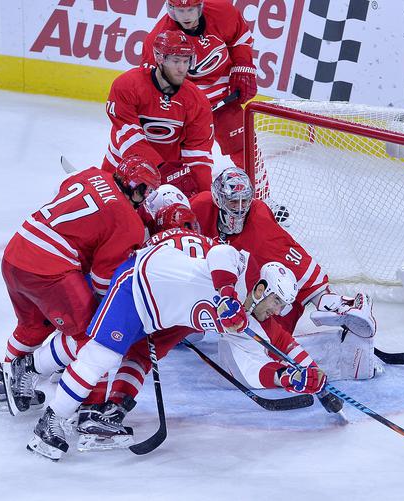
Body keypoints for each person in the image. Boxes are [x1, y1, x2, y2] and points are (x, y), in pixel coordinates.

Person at [22, 227, 325, 460]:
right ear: (262, 288)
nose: (278, 311)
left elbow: (252, 367)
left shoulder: (247, 321)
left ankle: (67, 391)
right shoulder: (242, 266)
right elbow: (221, 253)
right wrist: (227, 294)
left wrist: (286, 377)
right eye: (276, 301)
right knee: (100, 355)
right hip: (138, 284)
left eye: (282, 306)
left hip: (159, 317)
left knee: (123, 356)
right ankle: (51, 420)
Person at [0, 155, 160, 414]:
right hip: (49, 272)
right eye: (146, 190)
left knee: (32, 325)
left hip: (15, 254)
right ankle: (90, 406)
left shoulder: (92, 174)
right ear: (137, 187)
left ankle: (5, 384)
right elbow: (104, 281)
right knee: (95, 334)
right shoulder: (128, 221)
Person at [190, 167, 379, 381]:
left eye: (245, 201)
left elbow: (296, 263)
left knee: (267, 347)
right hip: (224, 283)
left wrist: (325, 299)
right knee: (193, 329)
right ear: (219, 199)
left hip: (266, 298)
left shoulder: (259, 225)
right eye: (234, 202)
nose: (241, 209)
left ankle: (345, 323)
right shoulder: (199, 207)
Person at [141, 0, 257, 169]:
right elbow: (151, 84)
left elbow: (240, 39)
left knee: (244, 148)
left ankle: (261, 193)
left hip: (224, 97)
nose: (186, 17)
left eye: (190, 10)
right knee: (181, 164)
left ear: (200, 6)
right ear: (171, 10)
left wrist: (243, 66)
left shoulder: (222, 12)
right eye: (180, 11)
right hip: (188, 109)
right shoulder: (160, 39)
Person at [102, 29, 215, 197]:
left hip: (168, 180)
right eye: (176, 61)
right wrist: (162, 170)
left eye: (186, 61)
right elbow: (131, 138)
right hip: (121, 169)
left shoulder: (197, 101)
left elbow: (198, 155)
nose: (182, 68)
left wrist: (203, 198)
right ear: (160, 58)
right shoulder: (127, 85)